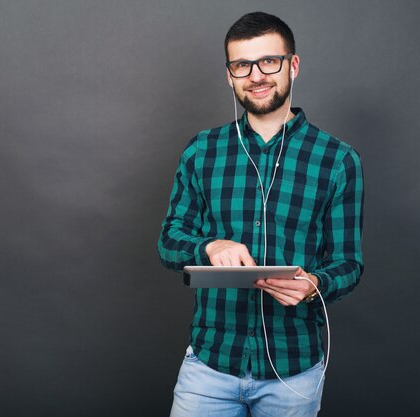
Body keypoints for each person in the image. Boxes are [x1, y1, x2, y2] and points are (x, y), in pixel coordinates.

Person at [157, 11, 364, 417]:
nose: (256, 75)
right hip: (210, 367)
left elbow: (349, 264)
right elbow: (169, 241)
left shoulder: (338, 160)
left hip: (294, 371)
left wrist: (314, 284)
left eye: (269, 61)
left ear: (293, 65)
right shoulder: (202, 151)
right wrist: (210, 246)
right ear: (229, 75)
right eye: (242, 65)